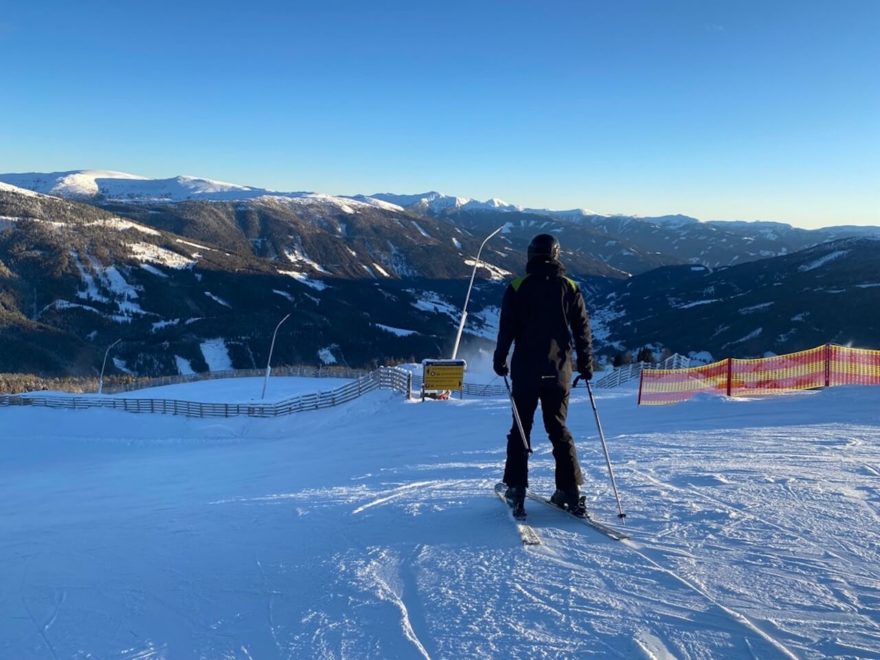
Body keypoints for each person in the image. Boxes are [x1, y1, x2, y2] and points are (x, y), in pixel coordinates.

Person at [493, 233, 593, 519]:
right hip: (560, 372)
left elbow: (506, 330)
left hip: (525, 372)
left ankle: (517, 489)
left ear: (530, 255)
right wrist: (586, 365)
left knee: (521, 430)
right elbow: (582, 332)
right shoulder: (571, 287)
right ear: (557, 254)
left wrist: (500, 360)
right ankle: (570, 491)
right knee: (558, 430)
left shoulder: (516, 287)